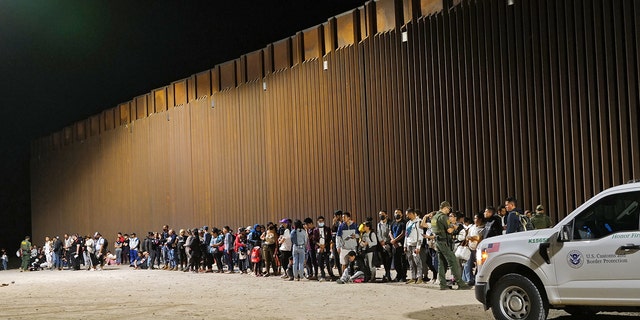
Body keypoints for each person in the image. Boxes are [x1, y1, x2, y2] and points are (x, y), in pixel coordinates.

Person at [432, 201, 470, 290]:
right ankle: (461, 284)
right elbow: (449, 231)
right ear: (445, 208)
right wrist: (454, 227)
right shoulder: (443, 217)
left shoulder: (434, 217)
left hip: (438, 241)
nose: (449, 211)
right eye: (448, 209)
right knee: (453, 262)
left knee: (441, 263)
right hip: (444, 242)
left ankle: (443, 284)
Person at [463, 213, 485, 286]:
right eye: (474, 218)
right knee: (467, 264)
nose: (475, 220)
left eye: (477, 218)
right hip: (470, 247)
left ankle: (476, 278)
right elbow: (468, 235)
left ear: (480, 219)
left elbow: (479, 238)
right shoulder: (472, 227)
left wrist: (472, 238)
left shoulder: (483, 228)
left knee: (478, 265)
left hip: (478, 249)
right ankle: (469, 279)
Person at [403, 208, 424, 284]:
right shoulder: (408, 223)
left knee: (417, 261)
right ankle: (413, 277)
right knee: (410, 262)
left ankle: (419, 277)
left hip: (415, 245)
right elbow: (406, 235)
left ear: (412, 214)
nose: (407, 216)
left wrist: (418, 247)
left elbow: (420, 236)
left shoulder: (419, 222)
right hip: (409, 244)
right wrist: (405, 245)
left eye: (408, 215)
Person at [389, 209, 407, 282]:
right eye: (396, 213)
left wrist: (395, 240)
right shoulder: (392, 223)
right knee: (396, 262)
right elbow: (390, 232)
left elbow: (403, 233)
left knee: (403, 261)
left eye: (399, 213)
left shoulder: (404, 223)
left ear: (402, 214)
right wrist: (392, 240)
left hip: (401, 244)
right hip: (394, 245)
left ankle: (403, 276)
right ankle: (398, 275)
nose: (397, 214)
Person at [376, 210, 393, 282]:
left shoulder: (390, 223)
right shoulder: (379, 224)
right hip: (381, 244)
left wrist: (386, 242)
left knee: (388, 259)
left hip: (388, 243)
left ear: (386, 215)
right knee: (383, 259)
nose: (381, 216)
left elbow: (390, 232)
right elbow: (378, 233)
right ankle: (386, 273)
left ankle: (388, 273)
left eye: (382, 214)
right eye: (380, 214)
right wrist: (381, 241)